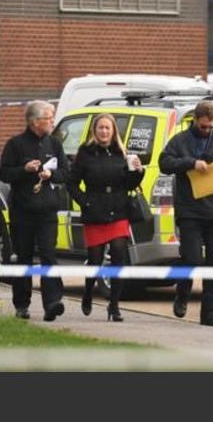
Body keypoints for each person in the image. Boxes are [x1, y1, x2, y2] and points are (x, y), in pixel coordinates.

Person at [159, 101, 213, 327]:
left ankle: (209, 314)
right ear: (194, 121)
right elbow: (164, 162)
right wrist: (190, 163)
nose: (207, 130)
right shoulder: (180, 141)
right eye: (203, 126)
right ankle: (182, 293)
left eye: (210, 127)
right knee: (191, 258)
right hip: (190, 210)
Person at [68, 113, 145, 322]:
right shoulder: (86, 152)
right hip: (95, 209)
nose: (104, 132)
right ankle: (87, 292)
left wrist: (138, 172)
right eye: (101, 128)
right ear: (95, 130)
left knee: (119, 253)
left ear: (113, 131)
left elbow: (129, 184)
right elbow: (72, 183)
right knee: (95, 259)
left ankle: (114, 305)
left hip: (118, 209)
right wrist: (85, 202)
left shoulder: (121, 152)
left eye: (107, 128)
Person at [0, 100, 70, 322]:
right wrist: (24, 169)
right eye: (49, 119)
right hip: (23, 211)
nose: (51, 122)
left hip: (47, 210)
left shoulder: (54, 144)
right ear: (34, 122)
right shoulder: (15, 144)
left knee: (49, 255)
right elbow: (5, 173)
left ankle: (52, 302)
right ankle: (21, 304)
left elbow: (65, 173)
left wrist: (52, 175)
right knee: (24, 257)